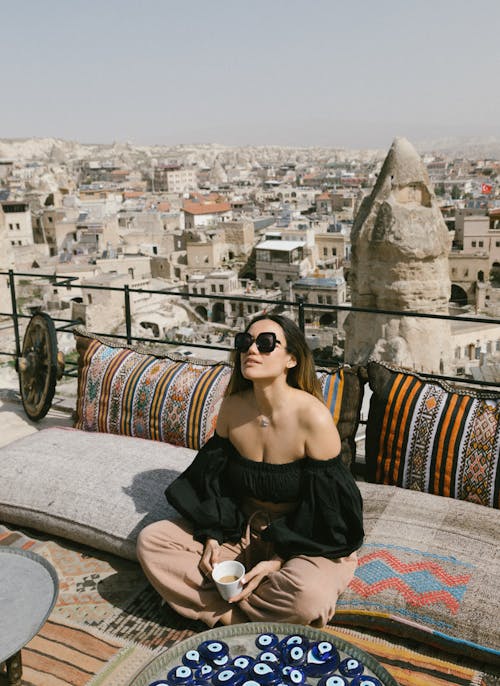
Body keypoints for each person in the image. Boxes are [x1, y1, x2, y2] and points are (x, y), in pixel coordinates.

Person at [136, 314, 363, 628]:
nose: (251, 350)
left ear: (292, 359)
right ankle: (242, 616)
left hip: (306, 537)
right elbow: (216, 483)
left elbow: (329, 510)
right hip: (243, 528)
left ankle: (215, 607)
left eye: (266, 343)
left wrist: (277, 561)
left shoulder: (313, 418)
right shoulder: (232, 409)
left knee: (308, 596)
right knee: (153, 541)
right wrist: (213, 536)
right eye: (244, 341)